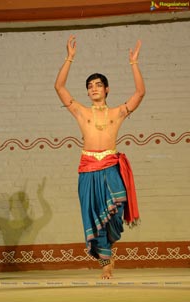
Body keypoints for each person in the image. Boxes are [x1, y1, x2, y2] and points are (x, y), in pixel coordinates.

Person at [54, 35, 145, 279]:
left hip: (110, 164)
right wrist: (69, 58)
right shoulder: (81, 112)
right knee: (94, 215)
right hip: (87, 167)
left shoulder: (117, 112)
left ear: (106, 89)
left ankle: (109, 248)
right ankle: (106, 260)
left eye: (97, 85)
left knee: (116, 207)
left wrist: (133, 63)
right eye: (90, 86)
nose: (93, 88)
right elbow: (60, 88)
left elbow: (139, 93)